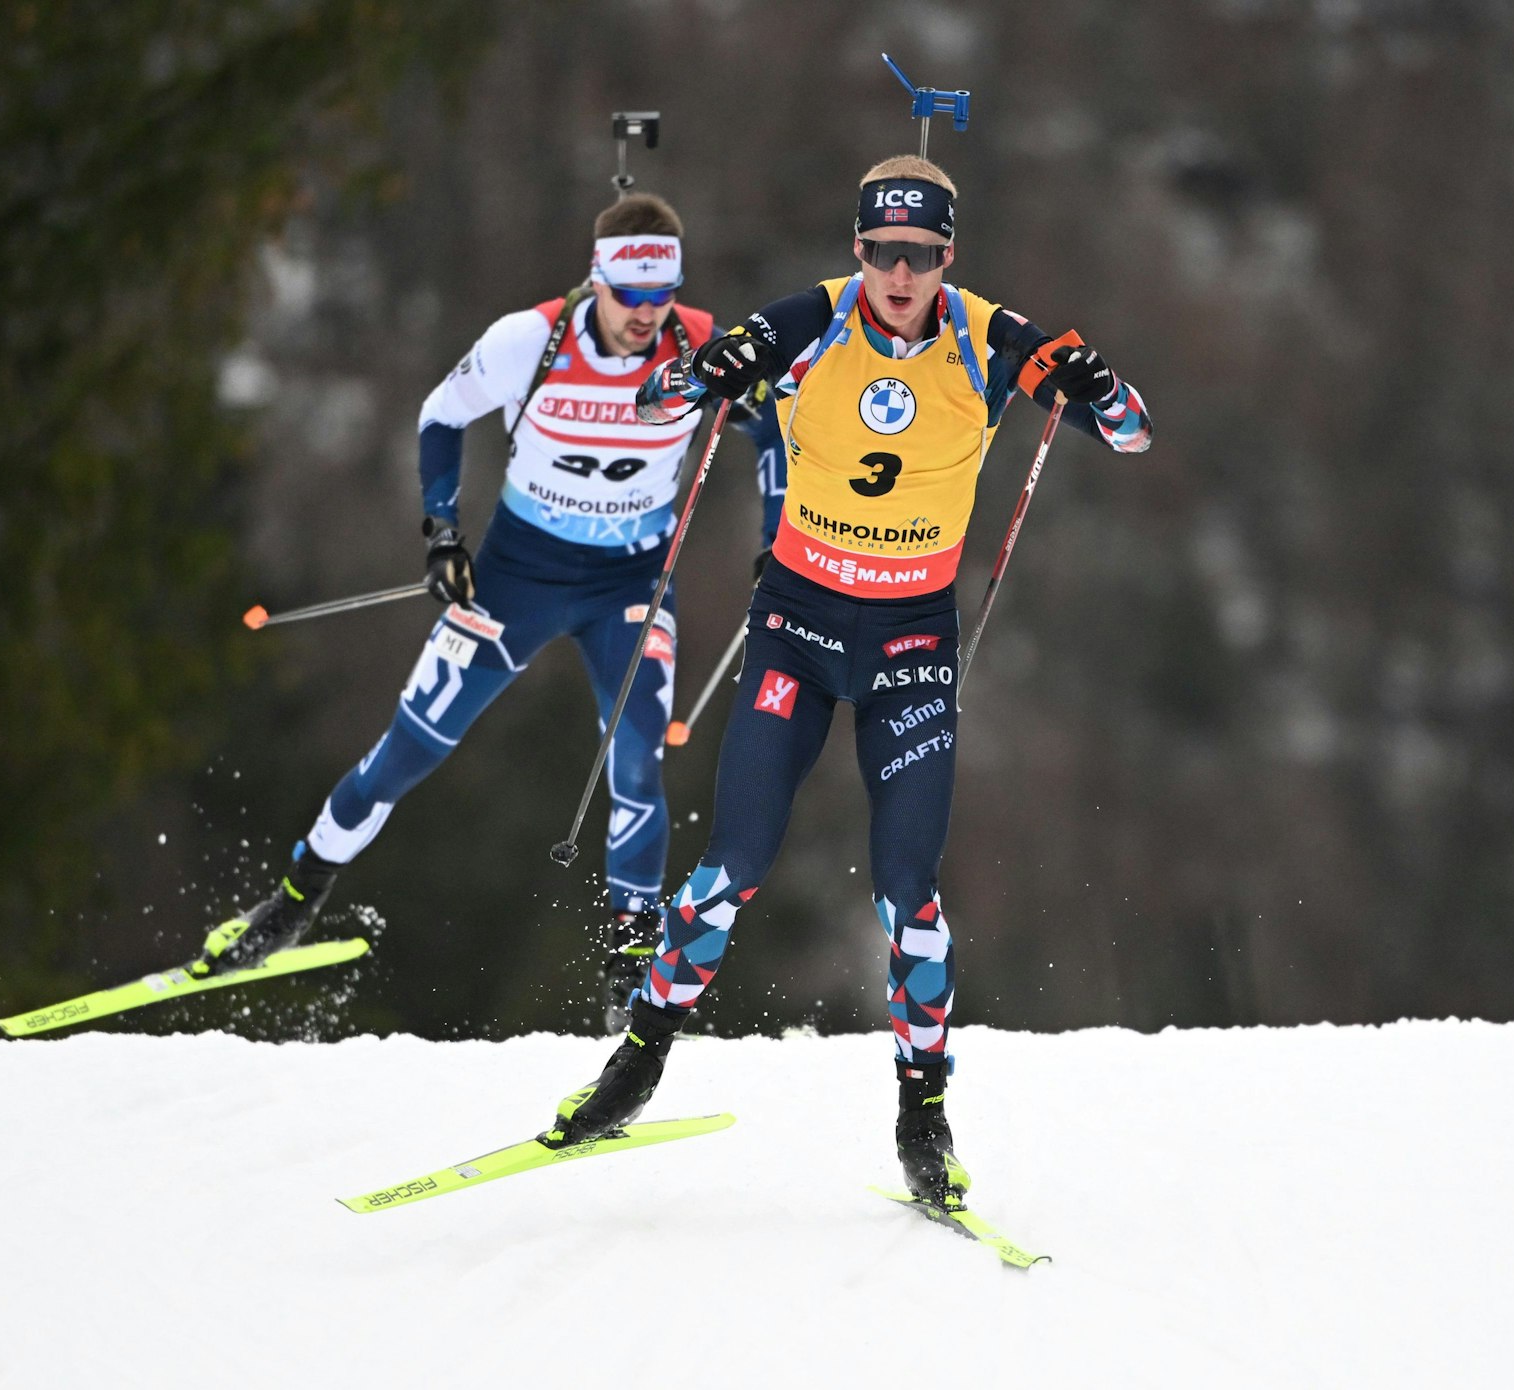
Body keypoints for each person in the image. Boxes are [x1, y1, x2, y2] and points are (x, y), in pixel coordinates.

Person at [539, 155, 1152, 1205]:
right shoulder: (808, 319)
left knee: (909, 895)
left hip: (911, 640)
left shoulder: (988, 337)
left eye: (918, 255)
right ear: (856, 248)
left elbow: (1134, 433)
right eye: (880, 253)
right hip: (796, 625)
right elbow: (651, 406)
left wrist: (1099, 387)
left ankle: (923, 1115)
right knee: (729, 863)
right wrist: (713, 371)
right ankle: (635, 1060)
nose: (898, 275)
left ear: (946, 256)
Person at [189, 193, 786, 1033]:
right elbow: (440, 415)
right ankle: (291, 901)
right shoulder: (528, 340)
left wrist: (776, 535)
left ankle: (628, 978)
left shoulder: (700, 347)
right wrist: (442, 534)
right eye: (630, 298)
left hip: (632, 585)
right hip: (515, 578)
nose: (647, 318)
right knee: (408, 750)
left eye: (662, 297)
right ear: (597, 281)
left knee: (638, 768)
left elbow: (774, 433)